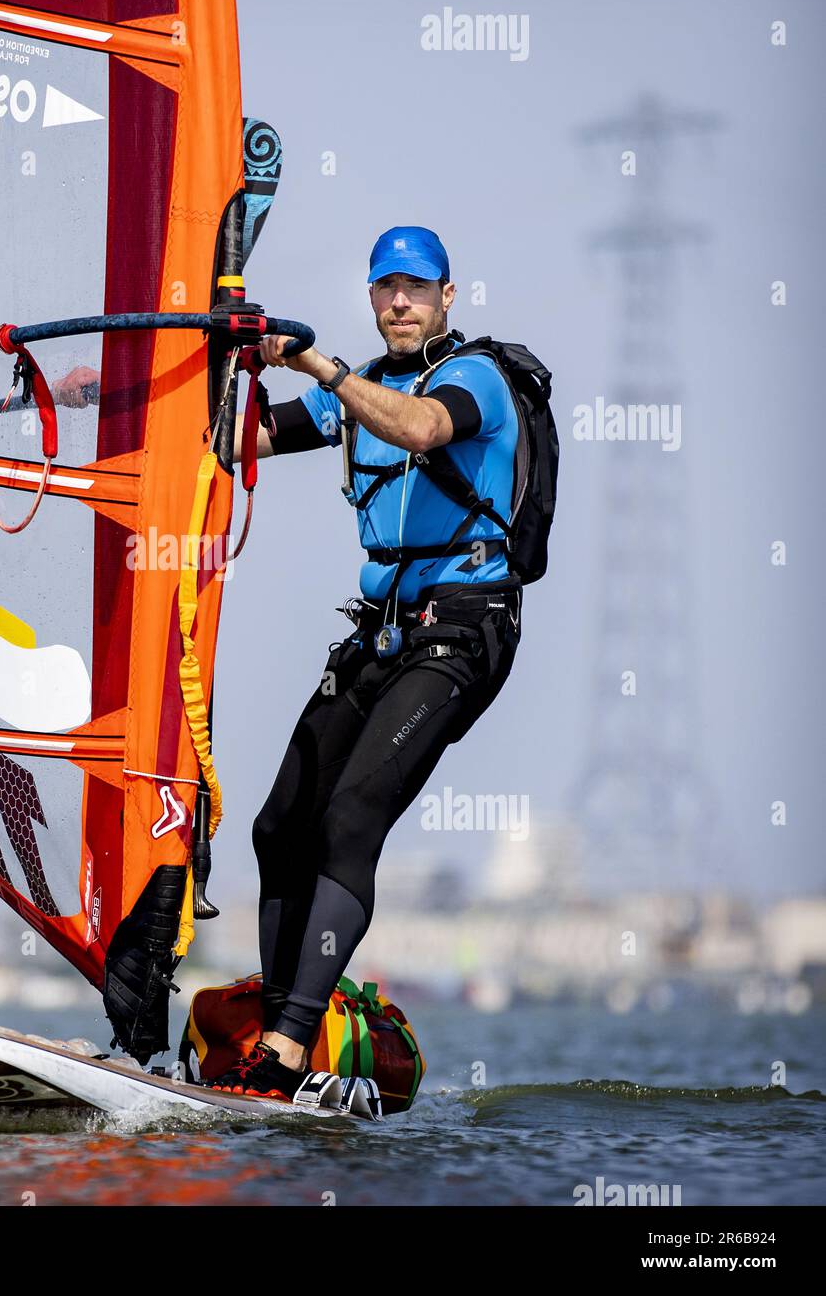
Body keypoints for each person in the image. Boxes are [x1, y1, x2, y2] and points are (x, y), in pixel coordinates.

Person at [209, 225, 525, 1100]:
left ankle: (286, 1045)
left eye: (416, 289)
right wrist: (178, 385)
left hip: (462, 631)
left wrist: (322, 367)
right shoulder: (365, 387)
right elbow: (240, 440)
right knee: (280, 824)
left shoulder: (474, 379)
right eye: (385, 288)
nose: (398, 303)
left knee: (350, 820)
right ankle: (273, 1041)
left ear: (447, 297)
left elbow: (423, 429)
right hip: (381, 631)